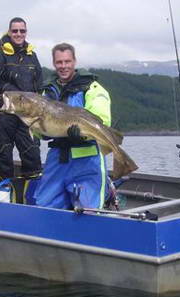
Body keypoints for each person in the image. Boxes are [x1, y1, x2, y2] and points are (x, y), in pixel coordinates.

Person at [35, 42, 112, 210]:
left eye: (67, 62)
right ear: (54, 64)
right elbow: (40, 132)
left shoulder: (92, 87)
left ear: (74, 62)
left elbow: (103, 120)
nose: (63, 66)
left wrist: (83, 134)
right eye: (59, 62)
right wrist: (41, 132)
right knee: (44, 207)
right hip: (58, 158)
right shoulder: (46, 92)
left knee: (88, 212)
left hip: (87, 160)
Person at [0, 17, 42, 180]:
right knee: (4, 159)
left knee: (33, 157)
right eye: (15, 30)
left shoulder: (32, 56)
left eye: (22, 31)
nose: (18, 34)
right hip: (5, 117)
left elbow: (39, 86)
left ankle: (31, 196)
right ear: (9, 32)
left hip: (28, 118)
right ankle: (4, 197)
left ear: (26, 32)